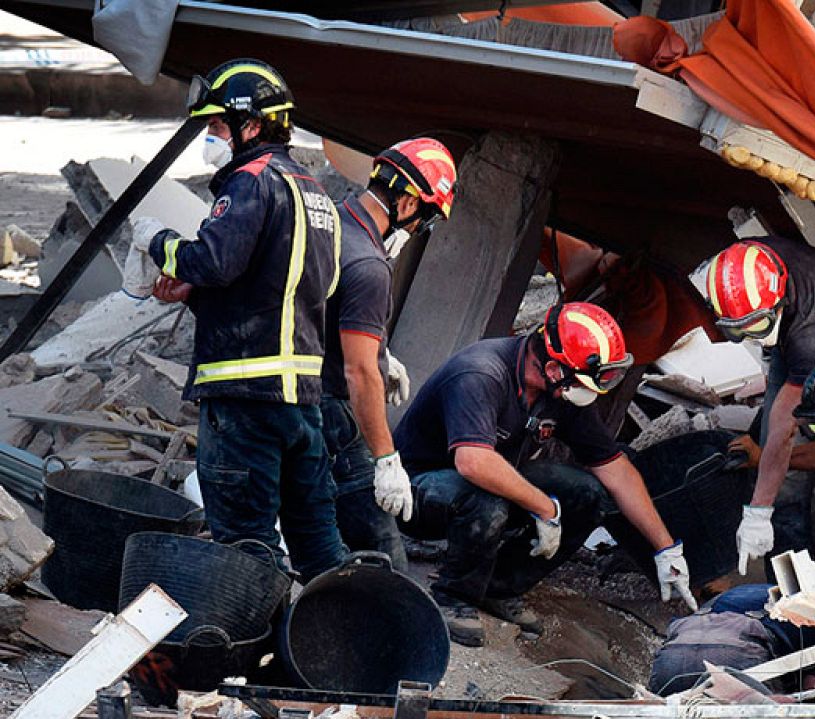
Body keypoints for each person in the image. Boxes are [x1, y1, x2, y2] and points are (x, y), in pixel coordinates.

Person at [131, 59, 345, 580]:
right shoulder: (316, 194)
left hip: (243, 398)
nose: (211, 137)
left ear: (251, 126)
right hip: (301, 403)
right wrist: (194, 295)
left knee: (246, 546)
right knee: (317, 542)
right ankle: (337, 646)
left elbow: (213, 260)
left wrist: (156, 241)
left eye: (217, 126)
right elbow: (300, 290)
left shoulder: (250, 182)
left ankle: (252, 654)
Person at [393, 302, 693, 645]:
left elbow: (616, 470)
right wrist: (544, 507)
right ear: (553, 368)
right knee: (489, 500)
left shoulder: (562, 391)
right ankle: (453, 597)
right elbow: (473, 462)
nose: (592, 391)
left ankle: (499, 587)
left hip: (490, 482)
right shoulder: (481, 373)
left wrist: (666, 549)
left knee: (587, 494)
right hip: (420, 489)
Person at [692, 238, 815, 578]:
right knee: (781, 483)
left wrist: (758, 509)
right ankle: (784, 589)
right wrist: (767, 478)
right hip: (794, 337)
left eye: (755, 326)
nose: (751, 337)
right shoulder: (741, 269)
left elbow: (811, 437)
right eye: (739, 330)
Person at [318, 137, 457, 566]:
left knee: (319, 535)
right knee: (383, 552)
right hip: (335, 414)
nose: (418, 231)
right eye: (425, 220)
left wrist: (381, 352)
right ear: (410, 204)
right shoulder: (369, 265)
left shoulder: (332, 223)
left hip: (298, 399)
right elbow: (359, 374)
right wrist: (385, 460)